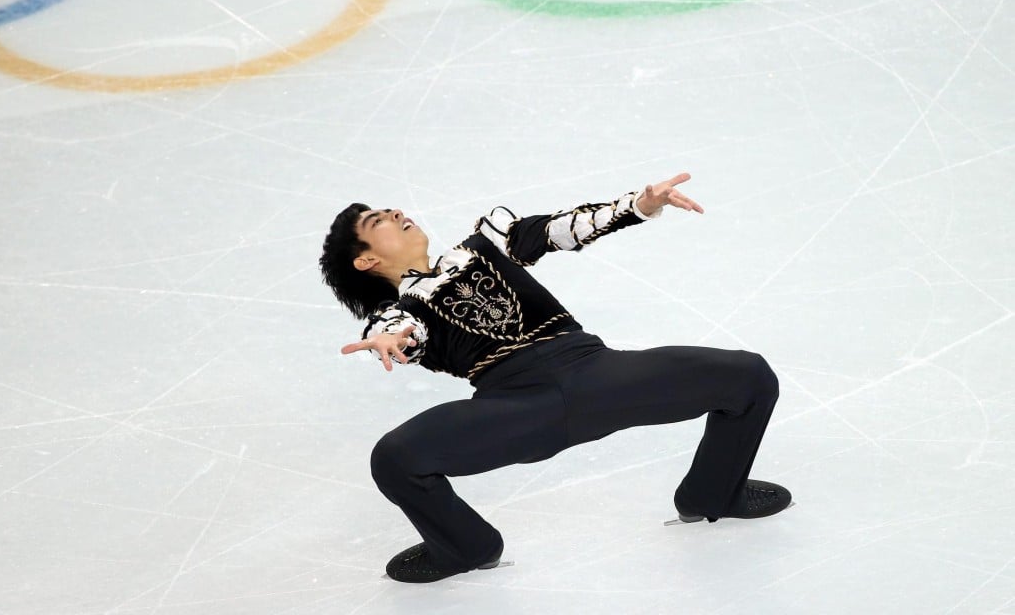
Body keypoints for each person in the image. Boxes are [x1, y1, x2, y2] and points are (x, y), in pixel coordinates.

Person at [319, 173, 791, 583]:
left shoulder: (487, 241)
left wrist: (639, 206)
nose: (395, 212)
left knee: (748, 376)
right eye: (378, 220)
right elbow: (402, 331)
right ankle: (466, 546)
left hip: (599, 375)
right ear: (366, 261)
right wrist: (390, 338)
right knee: (395, 457)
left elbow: (554, 230)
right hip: (519, 408)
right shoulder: (398, 312)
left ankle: (713, 492)